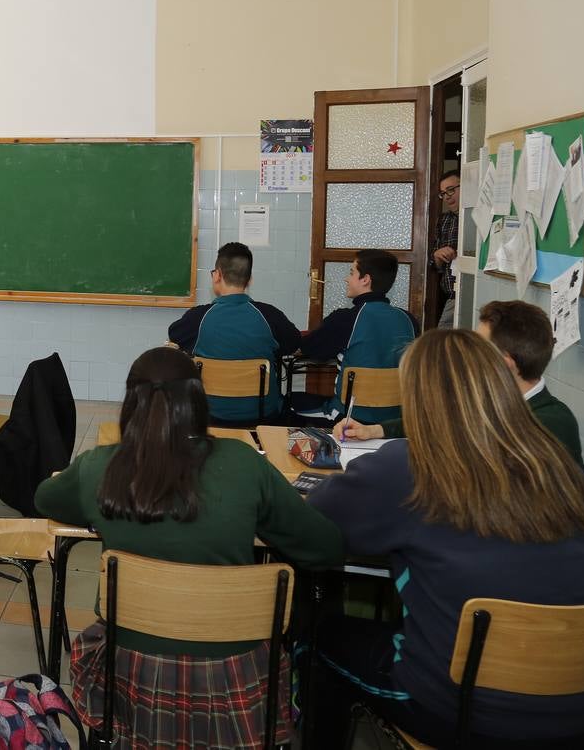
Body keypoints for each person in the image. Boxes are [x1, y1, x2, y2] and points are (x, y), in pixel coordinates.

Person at [308, 330, 584, 747]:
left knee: (323, 634)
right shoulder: (557, 465)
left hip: (467, 709)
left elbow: (313, 526)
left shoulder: (409, 467)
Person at [34, 347, 343, 749]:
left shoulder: (101, 468)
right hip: (236, 680)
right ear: (197, 400)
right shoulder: (243, 463)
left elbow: (45, 498)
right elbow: (325, 548)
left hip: (130, 675)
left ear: (131, 403)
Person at [337, 300, 582, 462]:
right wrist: (373, 430)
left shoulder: (551, 423)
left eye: (476, 348)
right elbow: (437, 421)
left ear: (505, 364)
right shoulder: (488, 399)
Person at [167, 241, 301, 423]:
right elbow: (293, 343)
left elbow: (175, 334)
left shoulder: (198, 319)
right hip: (262, 416)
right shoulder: (270, 316)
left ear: (217, 275)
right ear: (249, 279)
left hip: (209, 416)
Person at [293, 248, 418, 422]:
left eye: (352, 272)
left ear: (365, 280)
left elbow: (310, 349)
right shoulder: (409, 321)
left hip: (348, 418)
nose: (347, 278)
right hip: (394, 420)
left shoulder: (346, 319)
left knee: (289, 403)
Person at [432, 170, 460, 328]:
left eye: (451, 189)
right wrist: (437, 255)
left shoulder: (476, 215)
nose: (448, 196)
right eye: (443, 193)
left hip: (476, 288)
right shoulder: (444, 220)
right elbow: (434, 264)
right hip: (451, 295)